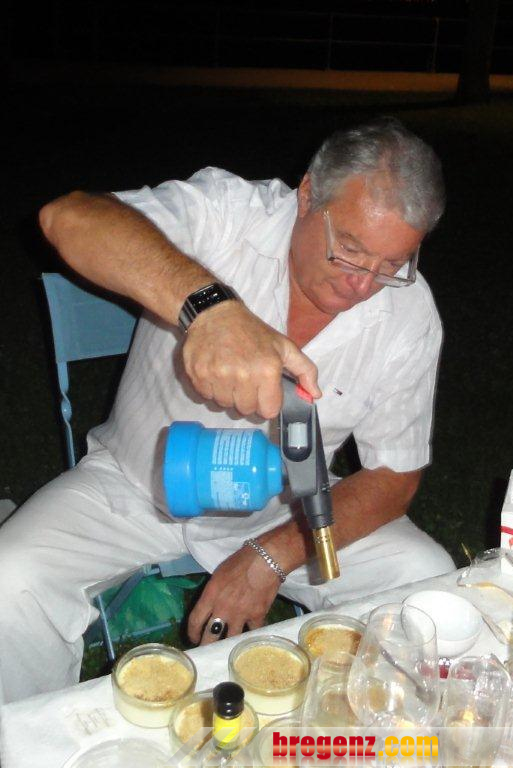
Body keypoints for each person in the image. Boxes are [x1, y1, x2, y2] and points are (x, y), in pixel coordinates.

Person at [0, 116, 454, 705]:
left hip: (287, 507)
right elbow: (68, 218)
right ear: (308, 194)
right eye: (350, 250)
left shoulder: (409, 316)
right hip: (133, 484)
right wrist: (210, 309)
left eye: (392, 264)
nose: (363, 286)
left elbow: (395, 475)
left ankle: (348, 726)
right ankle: (32, 740)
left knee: (423, 579)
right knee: (10, 578)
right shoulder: (230, 212)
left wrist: (271, 556)